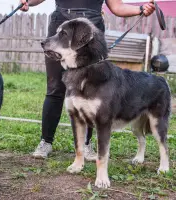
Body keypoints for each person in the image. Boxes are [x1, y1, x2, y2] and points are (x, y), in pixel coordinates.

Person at [20, 0, 155, 159]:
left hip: (91, 31)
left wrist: (140, 9)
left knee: (93, 90)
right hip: (62, 25)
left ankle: (86, 144)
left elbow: (117, 6)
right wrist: (27, 1)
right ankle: (46, 142)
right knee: (55, 88)